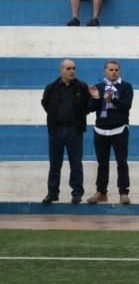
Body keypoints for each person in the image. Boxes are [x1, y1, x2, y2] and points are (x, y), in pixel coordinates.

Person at [40, 60, 91, 204]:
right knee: (55, 163)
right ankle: (52, 193)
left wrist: (78, 120)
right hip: (56, 130)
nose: (72, 71)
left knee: (76, 163)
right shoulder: (51, 87)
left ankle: (77, 193)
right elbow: (45, 103)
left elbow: (88, 106)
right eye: (68, 68)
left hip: (74, 130)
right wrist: (56, 117)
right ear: (61, 70)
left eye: (74, 68)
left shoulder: (82, 87)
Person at [86, 60, 133, 205]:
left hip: (119, 129)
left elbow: (126, 106)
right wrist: (94, 97)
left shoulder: (126, 87)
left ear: (119, 71)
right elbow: (91, 108)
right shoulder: (99, 87)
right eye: (111, 70)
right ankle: (101, 192)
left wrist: (114, 99)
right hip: (101, 130)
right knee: (102, 163)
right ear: (105, 71)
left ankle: (123, 193)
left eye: (116, 70)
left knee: (121, 162)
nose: (114, 72)